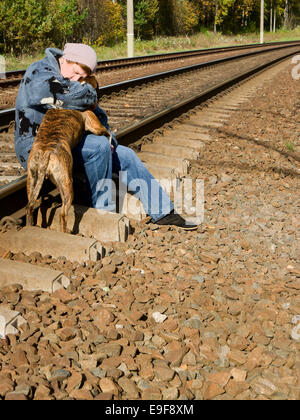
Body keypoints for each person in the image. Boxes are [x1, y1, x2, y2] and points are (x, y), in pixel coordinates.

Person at [14, 43, 197, 229]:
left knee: (125, 155)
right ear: (66, 59)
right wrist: (90, 91)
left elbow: (97, 118)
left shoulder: (74, 83)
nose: (76, 79)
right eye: (75, 72)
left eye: (82, 78)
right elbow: (68, 96)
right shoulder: (38, 72)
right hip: (38, 148)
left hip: (69, 143)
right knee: (98, 147)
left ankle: (164, 211)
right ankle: (103, 213)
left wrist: (110, 140)